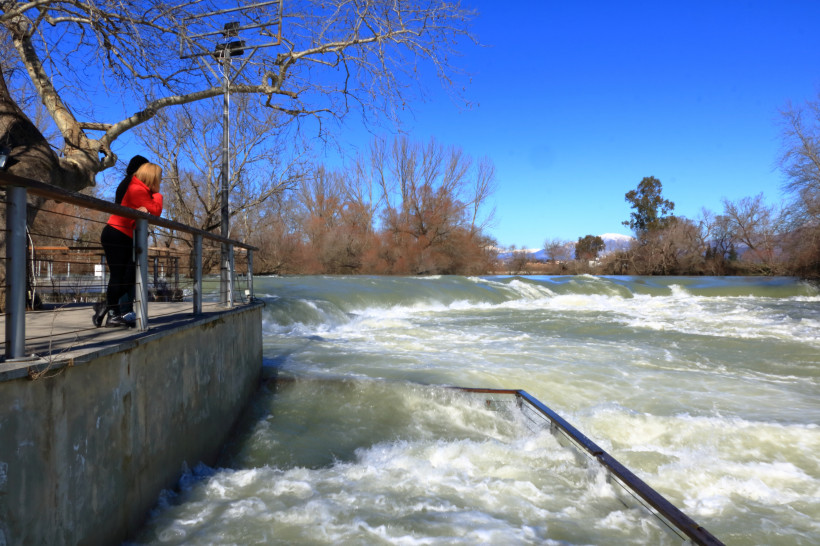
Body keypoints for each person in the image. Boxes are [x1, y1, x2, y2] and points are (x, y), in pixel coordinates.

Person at [93, 162, 163, 327]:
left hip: (126, 236)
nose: (161, 181)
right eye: (159, 177)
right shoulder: (137, 189)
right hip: (116, 234)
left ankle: (105, 306)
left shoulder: (142, 190)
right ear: (151, 177)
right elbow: (156, 210)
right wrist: (158, 196)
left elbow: (151, 210)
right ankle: (111, 314)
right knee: (119, 276)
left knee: (129, 276)